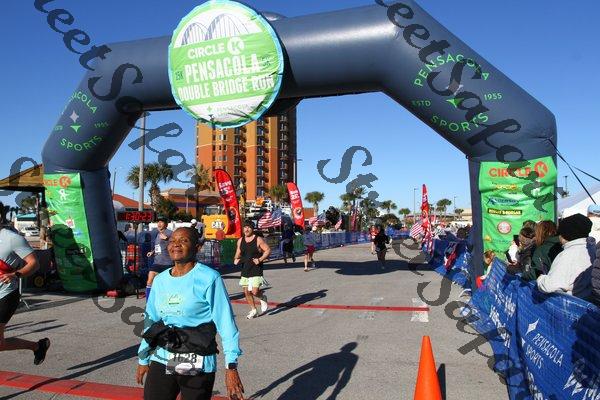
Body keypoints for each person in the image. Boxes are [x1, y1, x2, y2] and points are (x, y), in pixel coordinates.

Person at [136, 227, 244, 400]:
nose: (176, 245)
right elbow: (151, 322)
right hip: (163, 355)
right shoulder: (160, 280)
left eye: (184, 241)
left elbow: (226, 324)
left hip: (196, 355)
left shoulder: (209, 278)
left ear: (197, 247)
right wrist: (143, 357)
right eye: (172, 241)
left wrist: (231, 366)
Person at [0, 219, 50, 365]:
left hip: (6, 294)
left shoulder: (12, 239)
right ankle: (37, 346)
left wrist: (15, 274)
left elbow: (34, 263)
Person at [537, 213, 594, 299]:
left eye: (560, 233)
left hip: (572, 302)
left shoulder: (567, 255)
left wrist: (541, 279)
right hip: (590, 302)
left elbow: (550, 286)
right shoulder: (592, 249)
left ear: (565, 235)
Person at [234, 221, 271, 319]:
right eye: (245, 227)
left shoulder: (258, 239)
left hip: (256, 268)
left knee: (254, 291)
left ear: (252, 229)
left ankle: (262, 297)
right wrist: (236, 259)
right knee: (246, 292)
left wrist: (260, 259)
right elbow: (238, 253)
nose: (246, 229)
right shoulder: (240, 240)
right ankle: (254, 310)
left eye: (249, 227)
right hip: (245, 268)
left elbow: (267, 250)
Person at [145, 216, 173, 299]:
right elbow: (158, 246)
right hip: (157, 262)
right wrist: (152, 252)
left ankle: (168, 300)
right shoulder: (158, 234)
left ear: (166, 224)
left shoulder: (170, 233)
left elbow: (176, 243)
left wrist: (167, 239)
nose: (159, 224)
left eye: (161, 222)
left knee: (167, 284)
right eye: (158, 222)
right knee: (150, 280)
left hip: (167, 263)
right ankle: (148, 302)